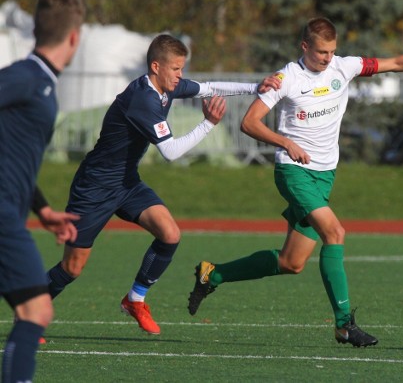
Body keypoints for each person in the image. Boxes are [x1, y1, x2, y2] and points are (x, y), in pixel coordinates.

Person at [188, 17, 403, 347]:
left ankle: (214, 274)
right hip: (293, 173)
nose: (327, 58)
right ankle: (344, 325)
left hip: (325, 176)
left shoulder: (344, 67)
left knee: (291, 263)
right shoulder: (287, 78)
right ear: (305, 47)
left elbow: (395, 62)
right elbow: (249, 123)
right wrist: (286, 143)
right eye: (322, 51)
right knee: (335, 232)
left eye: (332, 51)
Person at [45, 34, 281, 336]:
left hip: (126, 182)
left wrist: (254, 87)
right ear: (156, 67)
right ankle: (31, 311)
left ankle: (135, 299)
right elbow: (170, 153)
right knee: (72, 268)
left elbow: (208, 88)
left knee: (169, 233)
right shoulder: (142, 100)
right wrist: (208, 124)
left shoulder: (164, 86)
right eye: (176, 69)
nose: (180, 76)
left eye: (182, 69)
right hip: (95, 187)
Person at [0, 0, 84, 383]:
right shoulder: (27, 77)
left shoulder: (42, 82)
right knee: (36, 311)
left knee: (30, 311)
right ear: (74, 37)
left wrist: (44, 209)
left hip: (13, 212)